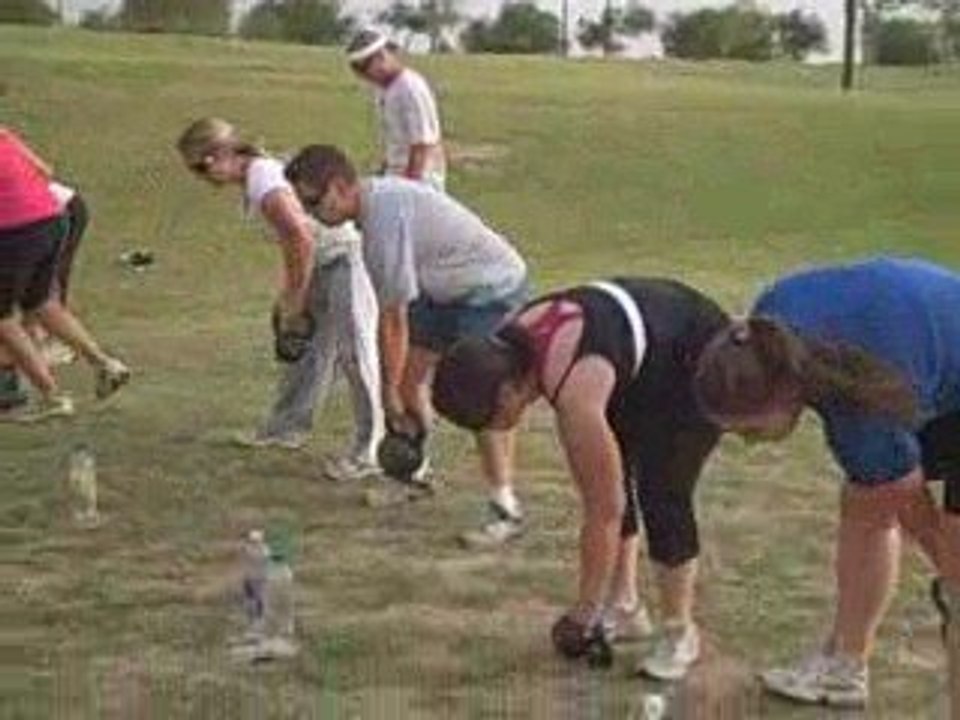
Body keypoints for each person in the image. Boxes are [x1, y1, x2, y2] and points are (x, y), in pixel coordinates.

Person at [431, 277, 730, 680]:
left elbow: (603, 512)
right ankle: (623, 606)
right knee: (616, 469)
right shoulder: (507, 342)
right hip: (638, 361)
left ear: (507, 394)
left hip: (700, 355)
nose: (493, 430)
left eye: (488, 421)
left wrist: (582, 613)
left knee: (663, 492)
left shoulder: (576, 391)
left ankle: (680, 632)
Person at [694, 257, 960, 708]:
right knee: (865, 504)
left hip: (937, 362)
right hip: (926, 359)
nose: (749, 445)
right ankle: (845, 667)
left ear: (782, 392)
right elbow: (891, 490)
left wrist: (950, 570)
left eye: (750, 431)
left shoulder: (860, 418)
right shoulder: (768, 328)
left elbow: (903, 488)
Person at [285, 144, 529, 546]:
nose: (312, 213)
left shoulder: (382, 218)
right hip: (441, 290)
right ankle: (412, 477)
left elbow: (393, 319)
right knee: (411, 382)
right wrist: (396, 389)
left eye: (314, 201)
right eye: (304, 204)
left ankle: (505, 509)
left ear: (342, 186)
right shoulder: (371, 210)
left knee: (484, 397)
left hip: (491, 289)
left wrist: (386, 395)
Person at [176, 119, 383, 480]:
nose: (202, 178)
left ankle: (372, 449)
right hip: (324, 261)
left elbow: (300, 238)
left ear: (218, 157)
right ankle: (286, 428)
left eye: (200, 167)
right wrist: (291, 296)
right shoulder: (258, 178)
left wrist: (294, 301)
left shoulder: (263, 181)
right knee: (308, 352)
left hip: (346, 258)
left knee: (355, 354)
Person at [0, 127, 129, 421]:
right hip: (53, 217)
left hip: (15, 229)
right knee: (41, 302)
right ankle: (106, 365)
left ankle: (52, 397)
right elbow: (44, 170)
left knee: (3, 318)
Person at [345, 29, 446, 192]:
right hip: (396, 176)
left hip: (421, 181)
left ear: (382, 56)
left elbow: (421, 146)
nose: (364, 76)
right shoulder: (384, 89)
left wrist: (408, 188)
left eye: (365, 67)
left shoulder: (410, 88)